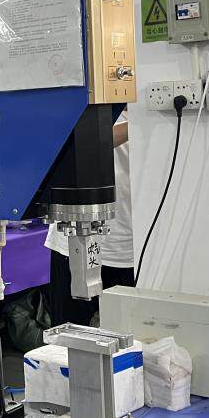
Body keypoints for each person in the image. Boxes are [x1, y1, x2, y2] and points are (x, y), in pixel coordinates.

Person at [45, 112, 133, 326]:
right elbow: (78, 142)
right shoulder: (84, 103)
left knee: (134, 335)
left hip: (131, 247)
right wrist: (136, 125)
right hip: (73, 239)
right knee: (70, 333)